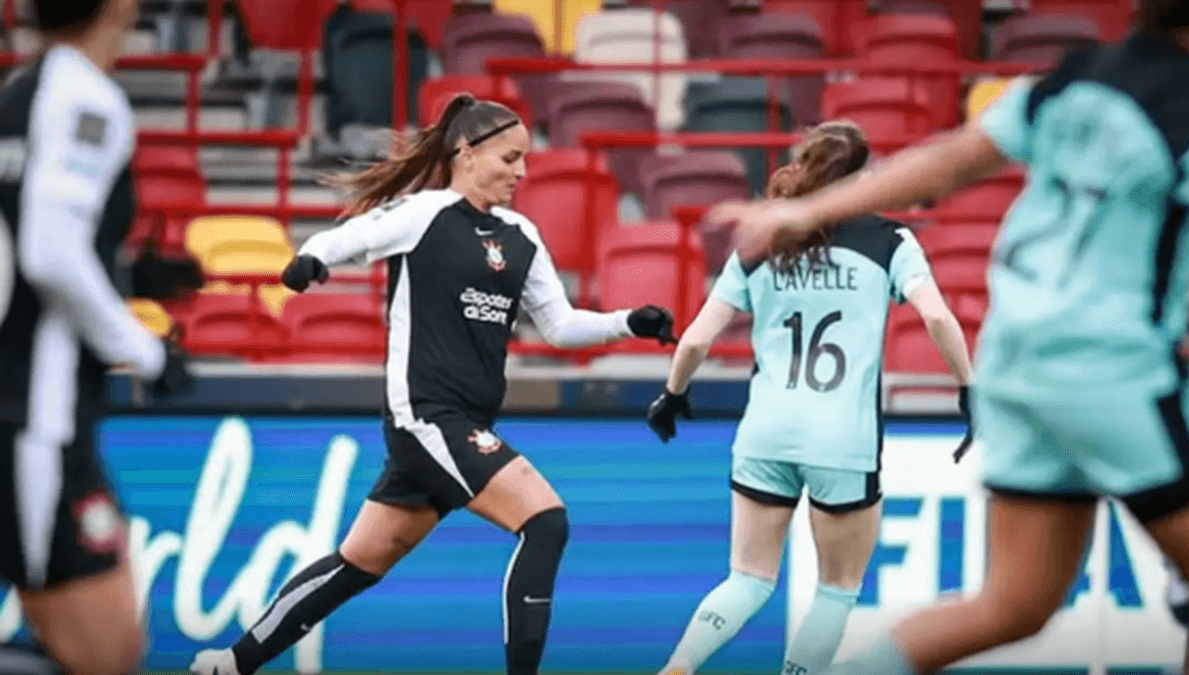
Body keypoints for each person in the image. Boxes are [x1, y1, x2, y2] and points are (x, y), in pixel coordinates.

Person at [711, 1, 1189, 672]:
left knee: (1014, 604)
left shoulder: (1069, 80)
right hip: (1111, 368)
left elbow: (950, 161)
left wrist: (806, 211)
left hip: (1015, 362)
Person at [189, 94, 676, 675]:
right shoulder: (423, 213)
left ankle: (229, 664)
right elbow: (352, 235)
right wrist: (312, 259)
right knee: (546, 521)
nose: (522, 171)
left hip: (462, 423)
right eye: (509, 158)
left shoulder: (521, 234)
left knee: (360, 562)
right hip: (425, 417)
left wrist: (627, 322)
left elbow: (559, 324)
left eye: (525, 159)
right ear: (466, 154)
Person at [645, 121, 974, 675]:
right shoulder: (890, 241)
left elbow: (697, 338)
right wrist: (968, 387)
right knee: (837, 590)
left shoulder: (763, 241)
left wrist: (672, 395)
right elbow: (938, 317)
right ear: (861, 179)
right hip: (842, 440)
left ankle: (678, 666)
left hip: (765, 433)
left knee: (747, 580)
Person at [0, 1, 193, 675]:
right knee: (107, 656)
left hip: (20, 409)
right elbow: (50, 252)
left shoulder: (18, 95)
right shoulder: (85, 96)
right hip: (38, 418)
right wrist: (146, 351)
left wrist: (127, 272)